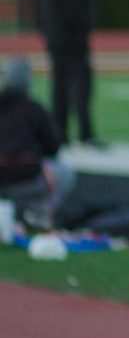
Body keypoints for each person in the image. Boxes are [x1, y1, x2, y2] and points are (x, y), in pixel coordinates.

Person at [36, 0, 98, 146]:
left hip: (54, 38)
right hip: (72, 39)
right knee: (81, 84)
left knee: (59, 86)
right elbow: (75, 8)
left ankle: (59, 132)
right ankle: (85, 132)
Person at [0, 57, 75, 230]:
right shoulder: (34, 108)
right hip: (27, 179)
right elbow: (53, 147)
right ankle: (37, 213)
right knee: (64, 172)